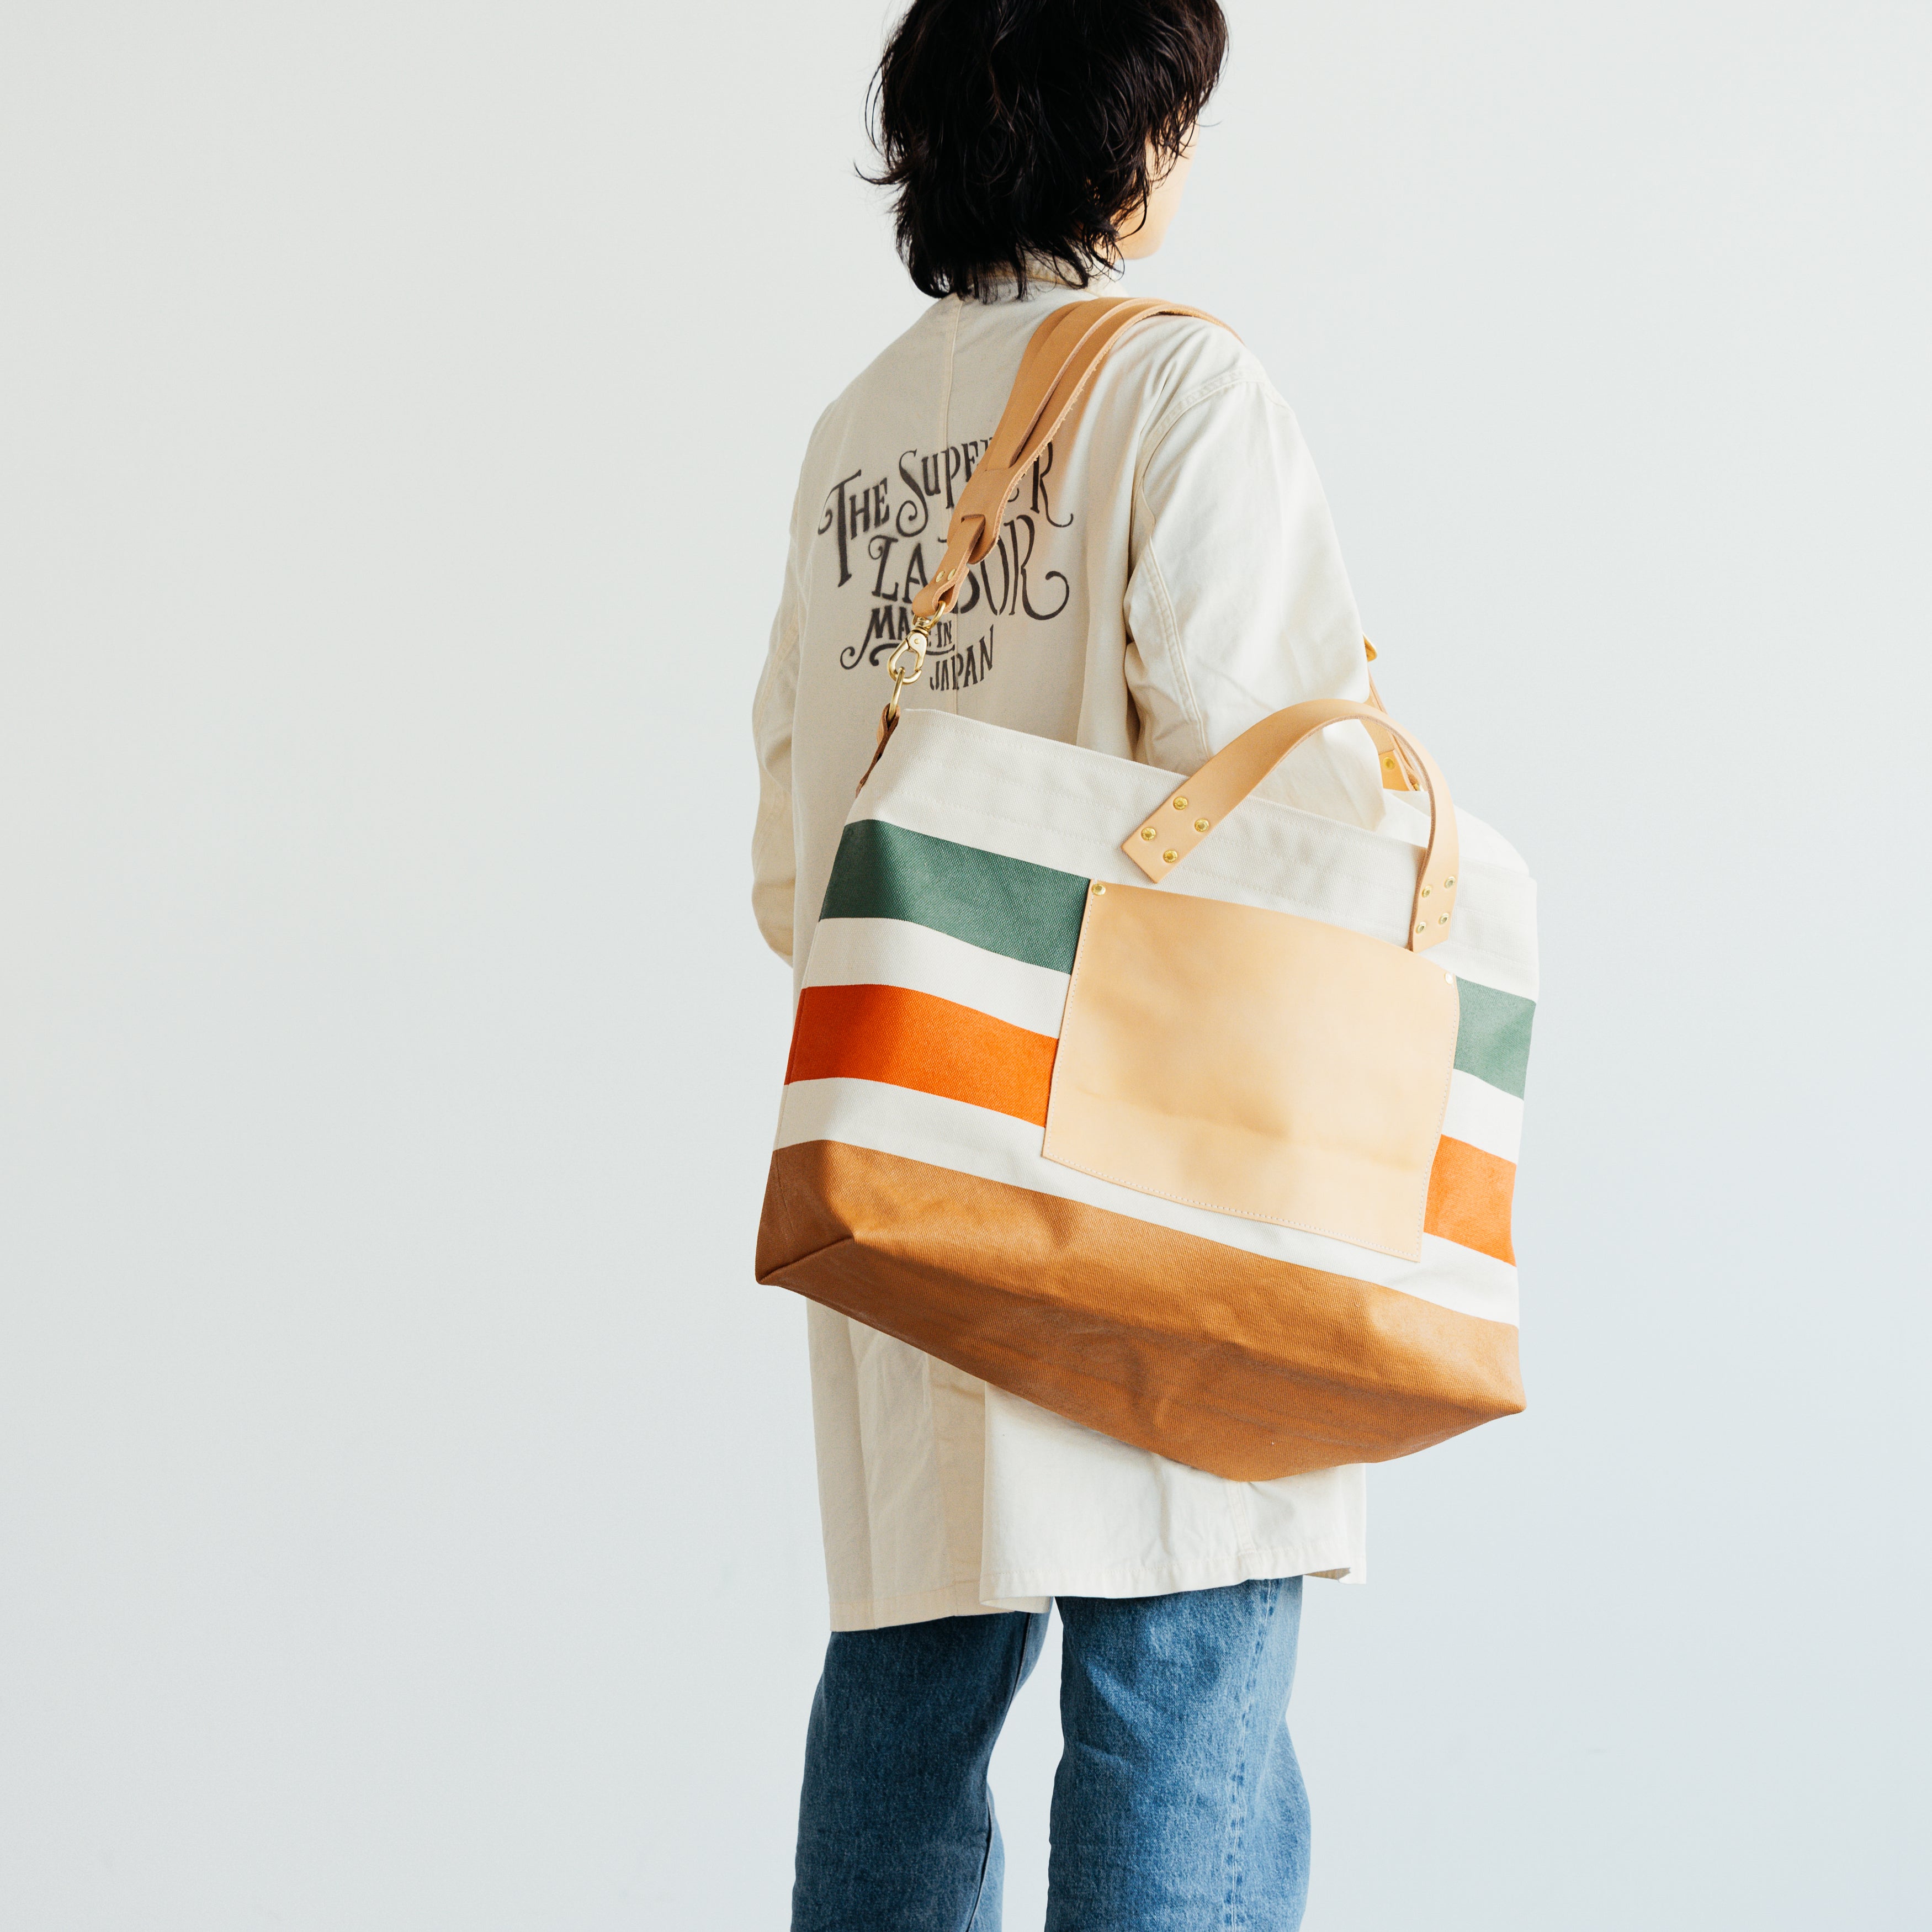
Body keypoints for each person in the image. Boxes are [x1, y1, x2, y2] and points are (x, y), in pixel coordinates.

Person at [750, 4, 1393, 1925]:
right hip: (1152, 1152)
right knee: (1180, 1655)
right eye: (1176, 119)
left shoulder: (856, 434)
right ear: (1123, 138)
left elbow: (792, 856)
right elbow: (1282, 802)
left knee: (909, 1675)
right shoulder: (1178, 388)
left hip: (906, 1125)